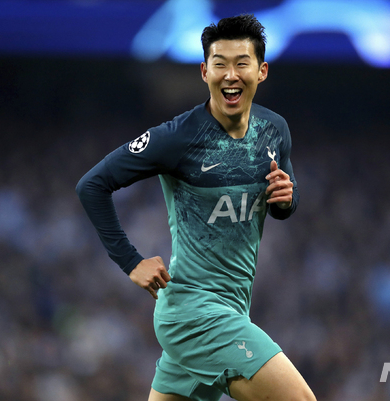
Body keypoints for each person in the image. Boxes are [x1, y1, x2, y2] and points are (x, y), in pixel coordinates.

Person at [76, 14, 316, 401]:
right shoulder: (178, 137)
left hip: (233, 308)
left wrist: (288, 199)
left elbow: (282, 204)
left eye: (242, 63)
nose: (230, 74)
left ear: (262, 70)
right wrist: (130, 261)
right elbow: (92, 185)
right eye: (220, 64)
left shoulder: (274, 131)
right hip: (194, 314)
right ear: (205, 72)